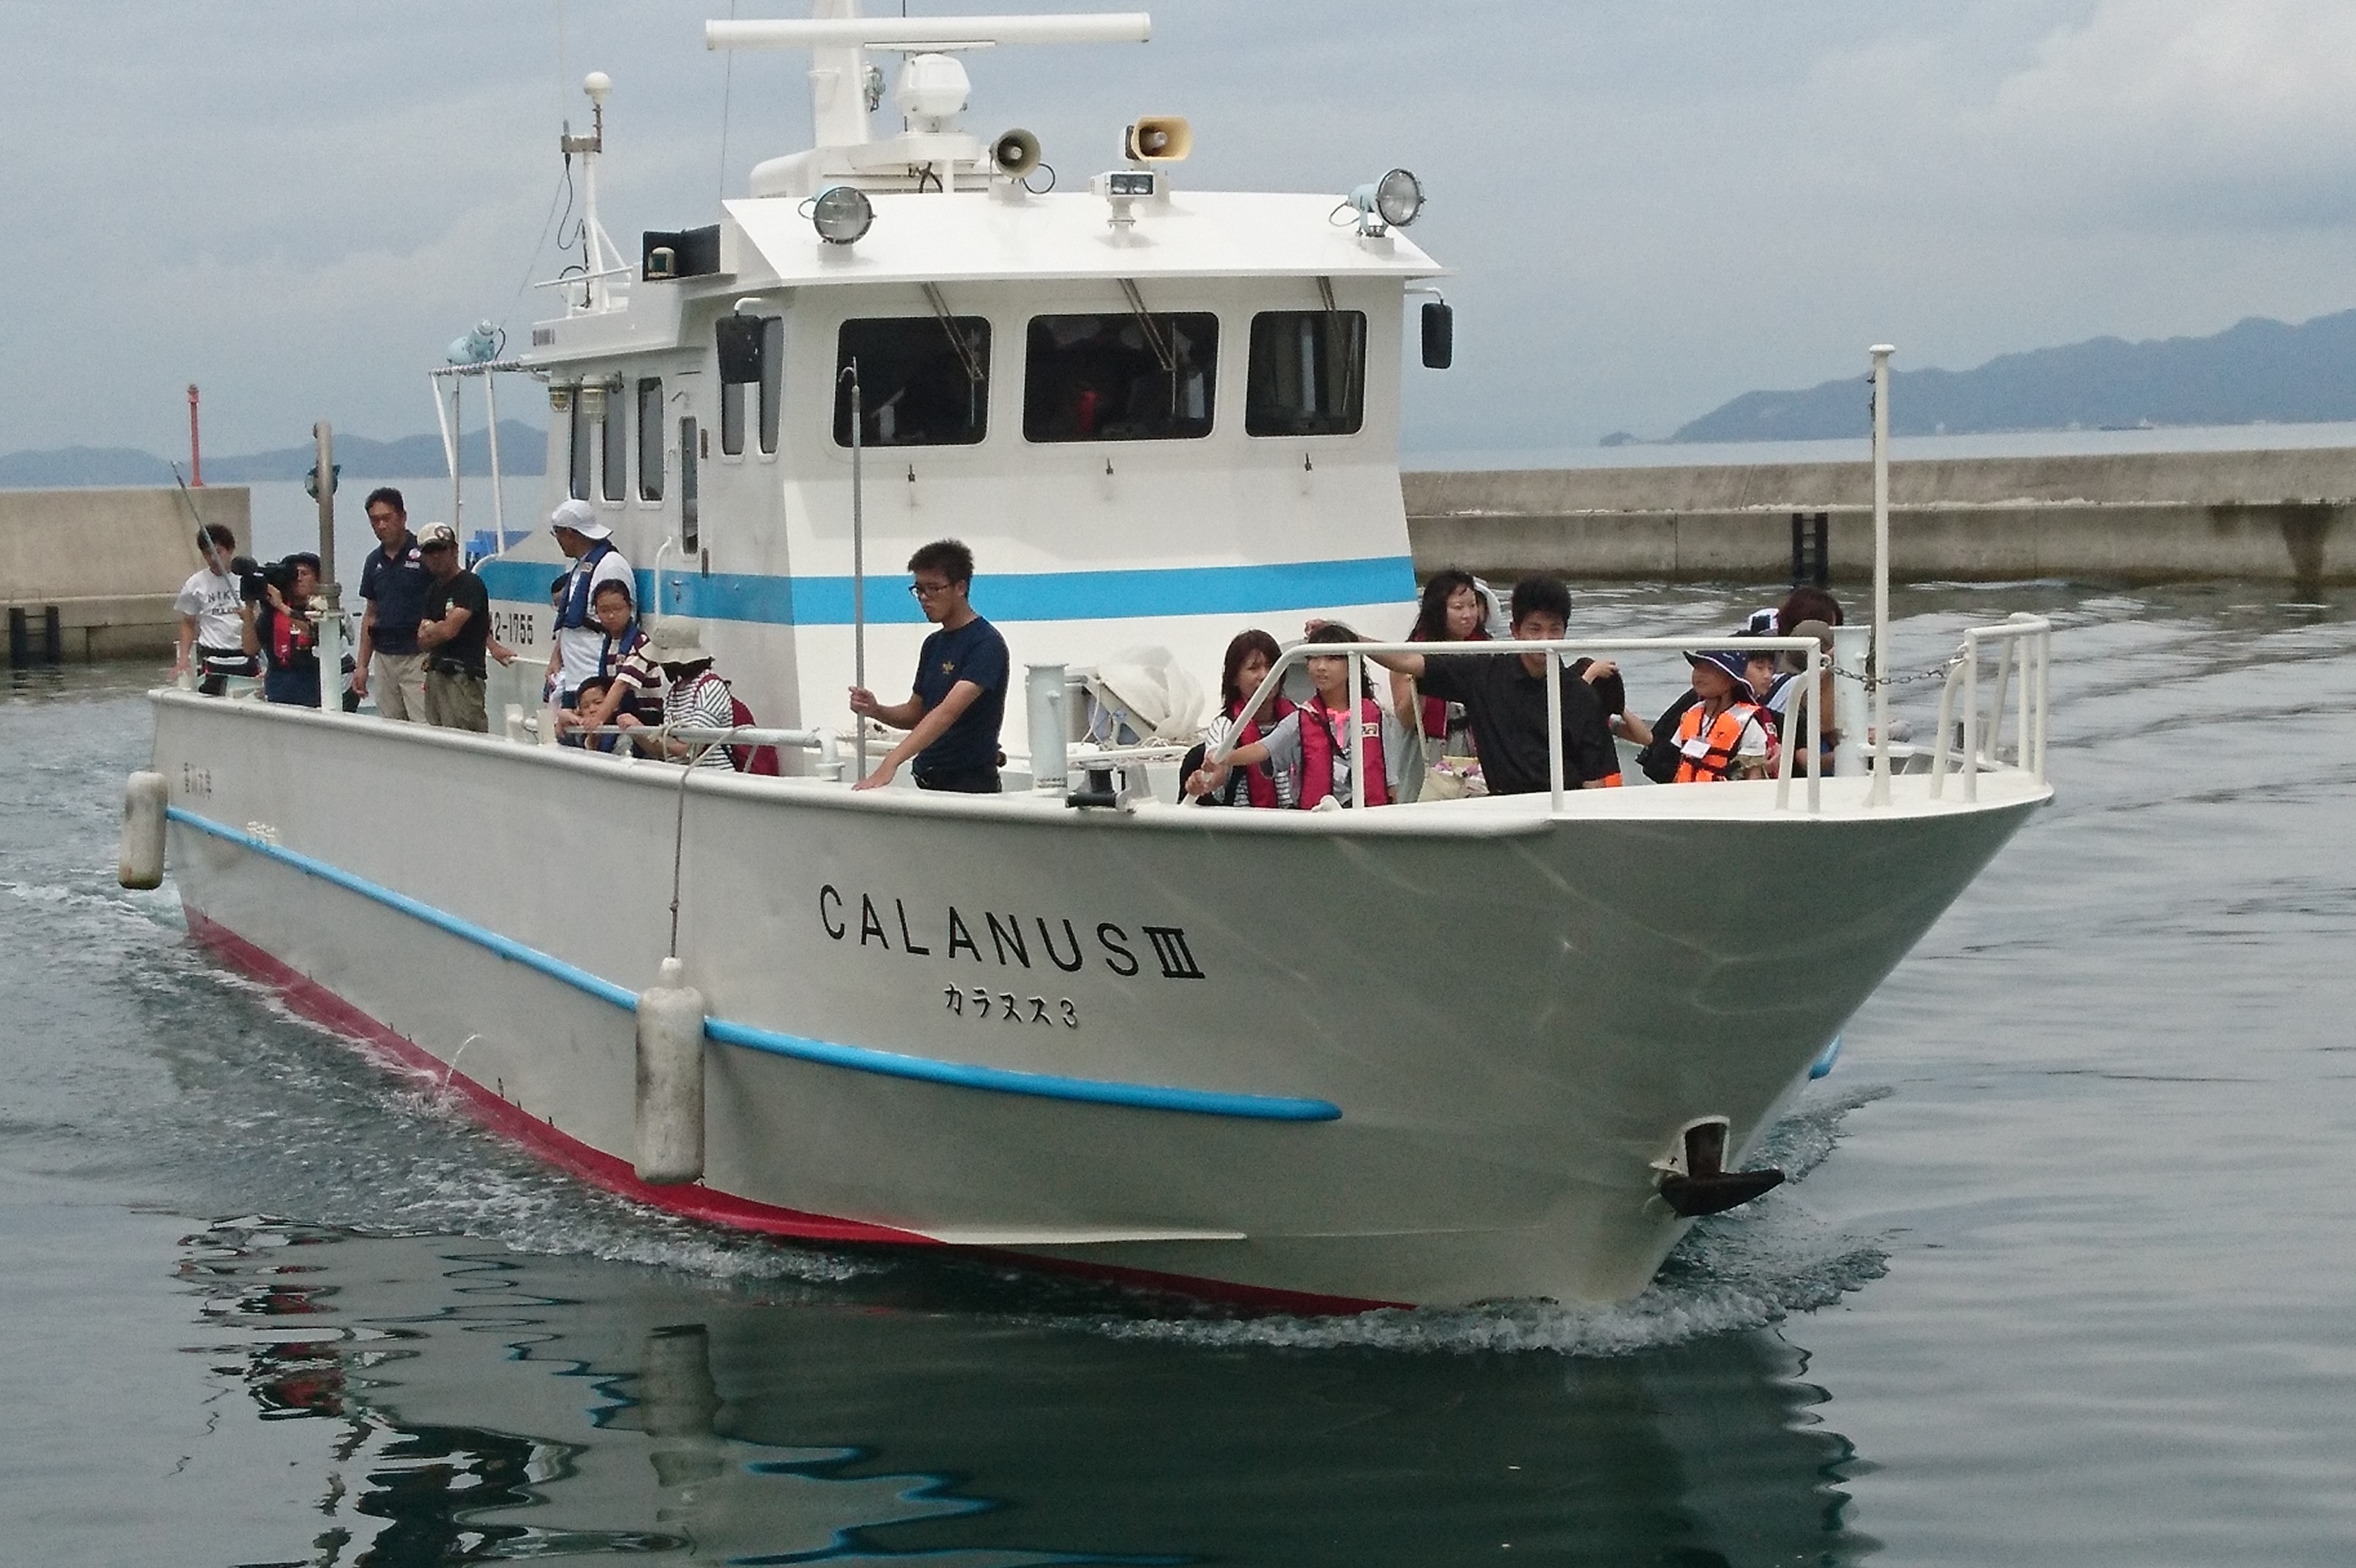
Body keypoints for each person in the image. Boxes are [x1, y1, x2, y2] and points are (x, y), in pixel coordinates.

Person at [1349, 576, 1623, 796]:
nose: (1546, 639)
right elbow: (1408, 659)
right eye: (1535, 629)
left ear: (1565, 630)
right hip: (1501, 808)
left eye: (1555, 629)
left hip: (1563, 808)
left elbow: (1594, 782)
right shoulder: (1484, 674)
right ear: (1515, 631)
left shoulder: (1581, 696)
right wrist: (1348, 638)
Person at [1185, 624, 1412, 809]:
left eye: (1332, 659)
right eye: (1313, 658)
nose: (1321, 667)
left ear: (1351, 664)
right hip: (1315, 822)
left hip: (1368, 820)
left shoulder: (1376, 715)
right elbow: (1264, 748)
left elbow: (1389, 777)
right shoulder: (1300, 718)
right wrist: (1223, 758)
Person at [847, 539, 1009, 793]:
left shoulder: (986, 644)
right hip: (928, 782)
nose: (924, 598)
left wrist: (891, 762)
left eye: (934, 588)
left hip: (969, 786)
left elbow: (947, 712)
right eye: (919, 589)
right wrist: (876, 709)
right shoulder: (933, 644)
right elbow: (917, 713)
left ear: (960, 587)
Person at [1181, 629, 1297, 808]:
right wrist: (1204, 781)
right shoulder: (1225, 726)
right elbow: (1217, 764)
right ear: (1234, 678)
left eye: (1271, 667)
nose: (1265, 675)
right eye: (1254, 668)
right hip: (1245, 825)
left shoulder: (1301, 718)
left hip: (1300, 822)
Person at [1394, 569, 1490, 773]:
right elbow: (1407, 720)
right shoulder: (1410, 655)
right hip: (1428, 746)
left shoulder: (1486, 648)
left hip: (1478, 743)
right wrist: (1422, 681)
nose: (1468, 615)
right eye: (1458, 607)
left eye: (1473, 606)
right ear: (1438, 609)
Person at [352, 487, 433, 721]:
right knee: (391, 724)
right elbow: (371, 613)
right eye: (375, 521)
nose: (381, 526)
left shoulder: (424, 553)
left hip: (418, 656)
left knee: (423, 723)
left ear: (402, 517)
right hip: (385, 656)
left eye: (387, 518)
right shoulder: (373, 562)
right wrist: (362, 665)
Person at [545, 498, 632, 711]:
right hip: (573, 676)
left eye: (557, 534)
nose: (557, 540)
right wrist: (556, 657)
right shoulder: (582, 566)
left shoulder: (609, 566)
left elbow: (619, 621)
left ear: (570, 533)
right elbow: (571, 617)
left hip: (593, 678)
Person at [616, 617, 738, 769]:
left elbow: (689, 750)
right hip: (683, 778)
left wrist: (642, 730)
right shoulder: (674, 692)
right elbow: (664, 751)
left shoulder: (710, 688)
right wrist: (636, 731)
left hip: (714, 777)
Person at [415, 522, 502, 732]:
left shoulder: (470, 584)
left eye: (441, 549)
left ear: (453, 550)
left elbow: (449, 631)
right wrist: (438, 628)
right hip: (436, 675)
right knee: (437, 740)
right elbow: (421, 640)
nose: (435, 556)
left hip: (462, 679)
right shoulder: (433, 590)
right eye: (429, 551)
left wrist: (435, 628)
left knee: (466, 738)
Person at [560, 579, 660, 741]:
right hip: (618, 715)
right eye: (604, 610)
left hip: (644, 718)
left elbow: (621, 685)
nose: (611, 616)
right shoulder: (609, 643)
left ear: (630, 608)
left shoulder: (641, 644)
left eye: (618, 609)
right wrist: (572, 714)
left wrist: (597, 721)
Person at [172, 523, 256, 694]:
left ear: (230, 550)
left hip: (245, 656)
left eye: (218, 552)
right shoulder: (195, 583)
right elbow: (188, 623)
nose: (213, 558)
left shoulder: (247, 580)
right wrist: (183, 660)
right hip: (213, 659)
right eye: (208, 553)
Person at [1671, 649, 1778, 783]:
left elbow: (1753, 777)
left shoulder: (1745, 722)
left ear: (1732, 680)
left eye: (1709, 670)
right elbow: (1681, 764)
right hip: (1686, 798)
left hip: (1725, 800)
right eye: (1697, 668)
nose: (1699, 675)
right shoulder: (1692, 713)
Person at [244, 554, 323, 707]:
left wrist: (281, 606)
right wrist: (249, 608)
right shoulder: (272, 613)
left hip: (313, 685)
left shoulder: (322, 609)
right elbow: (250, 648)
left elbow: (313, 630)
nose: (298, 579)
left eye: (305, 574)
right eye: (294, 575)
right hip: (279, 686)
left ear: (317, 579)